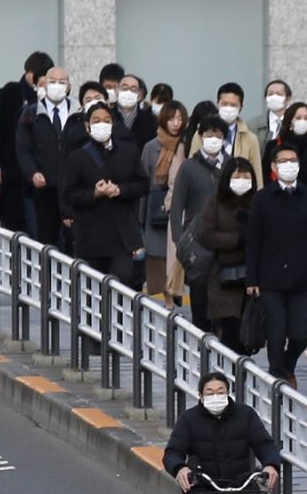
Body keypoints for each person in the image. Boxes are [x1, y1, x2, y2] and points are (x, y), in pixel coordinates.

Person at [243, 145, 307, 382]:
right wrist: (252, 279)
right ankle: (278, 376)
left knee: (300, 334)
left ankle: (288, 365)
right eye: (283, 160)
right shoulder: (263, 198)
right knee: (276, 334)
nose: (289, 165)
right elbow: (254, 239)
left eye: (293, 160)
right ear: (273, 167)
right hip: (271, 278)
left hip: (302, 277)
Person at [60, 102, 147, 284]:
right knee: (93, 287)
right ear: (87, 126)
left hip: (122, 233)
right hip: (91, 235)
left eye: (106, 120)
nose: (102, 124)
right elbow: (69, 195)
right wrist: (94, 193)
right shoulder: (78, 157)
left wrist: (120, 190)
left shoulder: (129, 151)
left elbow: (142, 184)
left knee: (123, 280)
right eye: (96, 120)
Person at [17, 67, 85, 248]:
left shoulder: (79, 114)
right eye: (52, 81)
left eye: (62, 82)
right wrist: (32, 173)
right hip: (44, 188)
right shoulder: (31, 113)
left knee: (73, 242)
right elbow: (23, 149)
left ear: (69, 86)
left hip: (72, 188)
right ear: (44, 84)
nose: (57, 86)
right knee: (45, 241)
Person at [171, 115, 228, 326]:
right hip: (197, 242)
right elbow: (177, 206)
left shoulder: (231, 166)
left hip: (226, 240)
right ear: (201, 136)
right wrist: (180, 241)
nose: (214, 139)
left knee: (224, 298)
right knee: (199, 298)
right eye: (209, 134)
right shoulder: (188, 167)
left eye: (218, 135)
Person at [0, 51, 54, 231]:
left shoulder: (48, 97)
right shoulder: (10, 92)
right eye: (35, 73)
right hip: (12, 168)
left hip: (40, 170)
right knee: (13, 221)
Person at [198, 158, 256, 349]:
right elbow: (205, 234)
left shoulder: (258, 201)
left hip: (253, 278)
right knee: (230, 331)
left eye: (246, 176)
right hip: (224, 276)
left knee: (249, 332)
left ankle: (241, 371)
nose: (242, 180)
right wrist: (236, 239)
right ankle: (230, 374)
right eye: (236, 176)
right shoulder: (215, 202)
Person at [141, 101, 187, 299]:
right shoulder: (151, 146)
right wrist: (141, 216)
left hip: (181, 206)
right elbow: (144, 179)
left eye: (179, 118)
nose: (176, 123)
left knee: (177, 252)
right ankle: (165, 299)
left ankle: (175, 290)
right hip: (156, 204)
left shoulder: (186, 145)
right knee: (157, 255)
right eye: (171, 119)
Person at [185, 82, 261, 176]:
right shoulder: (201, 133)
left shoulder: (250, 139)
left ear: (241, 107)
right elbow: (190, 166)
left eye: (233, 105)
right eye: (224, 104)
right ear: (217, 104)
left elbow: (257, 174)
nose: (228, 108)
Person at [259, 100, 307, 183]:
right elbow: (265, 175)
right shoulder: (274, 145)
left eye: (306, 118)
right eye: (298, 118)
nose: (302, 121)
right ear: (290, 121)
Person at [251, 79, 292, 155]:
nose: (274, 97)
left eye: (279, 94)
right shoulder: (253, 125)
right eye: (270, 94)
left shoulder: (293, 123)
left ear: (288, 99)